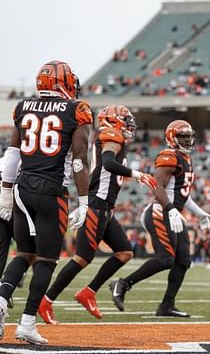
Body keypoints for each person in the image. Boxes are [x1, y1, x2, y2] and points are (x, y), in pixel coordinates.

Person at [0, 60, 93, 345]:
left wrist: (6, 191)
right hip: (51, 190)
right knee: (47, 259)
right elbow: (78, 161)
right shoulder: (77, 109)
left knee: (24, 253)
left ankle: (1, 300)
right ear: (63, 82)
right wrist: (85, 202)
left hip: (21, 188)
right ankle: (27, 322)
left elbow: (12, 154)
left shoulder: (23, 107)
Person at [37, 104, 157, 324]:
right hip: (97, 205)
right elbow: (109, 163)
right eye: (125, 118)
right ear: (112, 120)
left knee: (124, 252)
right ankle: (45, 301)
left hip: (106, 208)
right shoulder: (110, 135)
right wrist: (137, 174)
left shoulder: (116, 138)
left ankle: (89, 292)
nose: (129, 123)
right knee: (82, 259)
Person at [109, 120, 210, 317]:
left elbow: (182, 194)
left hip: (172, 212)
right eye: (183, 136)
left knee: (184, 260)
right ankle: (122, 284)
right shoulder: (168, 155)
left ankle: (167, 306)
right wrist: (170, 208)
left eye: (190, 136)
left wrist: (198, 212)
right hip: (160, 211)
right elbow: (157, 186)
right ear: (172, 138)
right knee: (165, 259)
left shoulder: (185, 158)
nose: (188, 139)